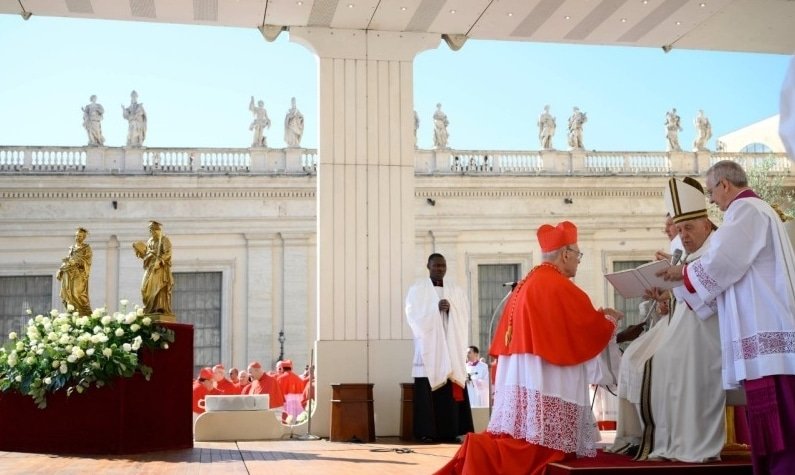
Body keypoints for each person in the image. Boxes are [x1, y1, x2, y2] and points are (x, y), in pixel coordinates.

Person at [436, 221, 624, 475]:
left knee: (523, 434)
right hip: (547, 374)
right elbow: (585, 329)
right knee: (543, 445)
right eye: (577, 254)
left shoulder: (529, 281)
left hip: (527, 371)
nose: (579, 260)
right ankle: (484, 455)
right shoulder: (560, 286)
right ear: (565, 253)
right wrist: (609, 320)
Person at [659, 160, 795, 474]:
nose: (710, 200)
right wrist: (683, 279)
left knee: (782, 422)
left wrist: (683, 273)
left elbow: (724, 261)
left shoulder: (747, 210)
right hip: (760, 327)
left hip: (766, 328)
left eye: (710, 192)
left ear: (724, 185)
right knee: (772, 419)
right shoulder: (750, 211)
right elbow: (722, 275)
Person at [610, 177, 725, 462]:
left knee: (665, 360)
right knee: (650, 360)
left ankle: (685, 442)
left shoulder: (718, 248)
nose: (683, 235)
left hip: (711, 330)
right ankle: (660, 438)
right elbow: (683, 297)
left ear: (707, 226)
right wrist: (664, 295)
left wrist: (679, 279)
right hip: (683, 325)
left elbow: (714, 293)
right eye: (679, 229)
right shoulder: (686, 252)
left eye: (688, 228)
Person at [405, 253, 473, 443]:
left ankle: (450, 432)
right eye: (436, 266)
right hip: (429, 349)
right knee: (427, 394)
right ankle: (427, 432)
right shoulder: (418, 290)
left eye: (443, 266)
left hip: (450, 347)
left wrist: (452, 309)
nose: (440, 269)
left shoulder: (455, 290)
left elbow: (464, 314)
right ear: (428, 266)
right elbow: (413, 315)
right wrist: (435, 309)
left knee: (449, 392)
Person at [133, 220, 173, 317]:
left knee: (157, 288)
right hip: (150, 267)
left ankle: (158, 308)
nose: (151, 232)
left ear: (158, 230)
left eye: (153, 230)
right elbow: (146, 253)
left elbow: (168, 253)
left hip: (159, 269)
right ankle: (149, 308)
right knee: (144, 289)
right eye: (150, 230)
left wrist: (159, 261)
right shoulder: (150, 241)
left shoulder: (164, 240)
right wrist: (139, 249)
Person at [56, 227, 92, 316]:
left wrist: (76, 262)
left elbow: (87, 261)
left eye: (80, 236)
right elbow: (69, 259)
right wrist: (61, 269)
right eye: (76, 236)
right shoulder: (72, 248)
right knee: (69, 294)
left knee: (77, 293)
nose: (77, 238)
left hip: (79, 274)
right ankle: (72, 311)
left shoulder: (86, 248)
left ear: (84, 237)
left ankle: (83, 313)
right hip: (68, 273)